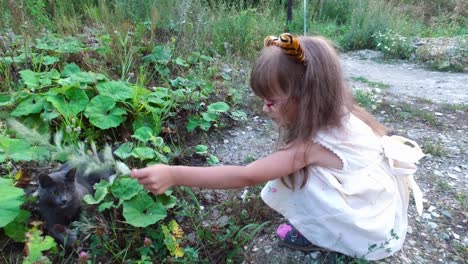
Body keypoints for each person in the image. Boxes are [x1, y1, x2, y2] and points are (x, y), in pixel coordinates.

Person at [131, 33, 425, 260]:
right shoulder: (345, 114)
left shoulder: (309, 147)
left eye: (271, 101)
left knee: (303, 178)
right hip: (378, 204)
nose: (264, 109)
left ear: (307, 97)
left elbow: (246, 175)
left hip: (366, 226)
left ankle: (323, 235)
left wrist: (173, 174)